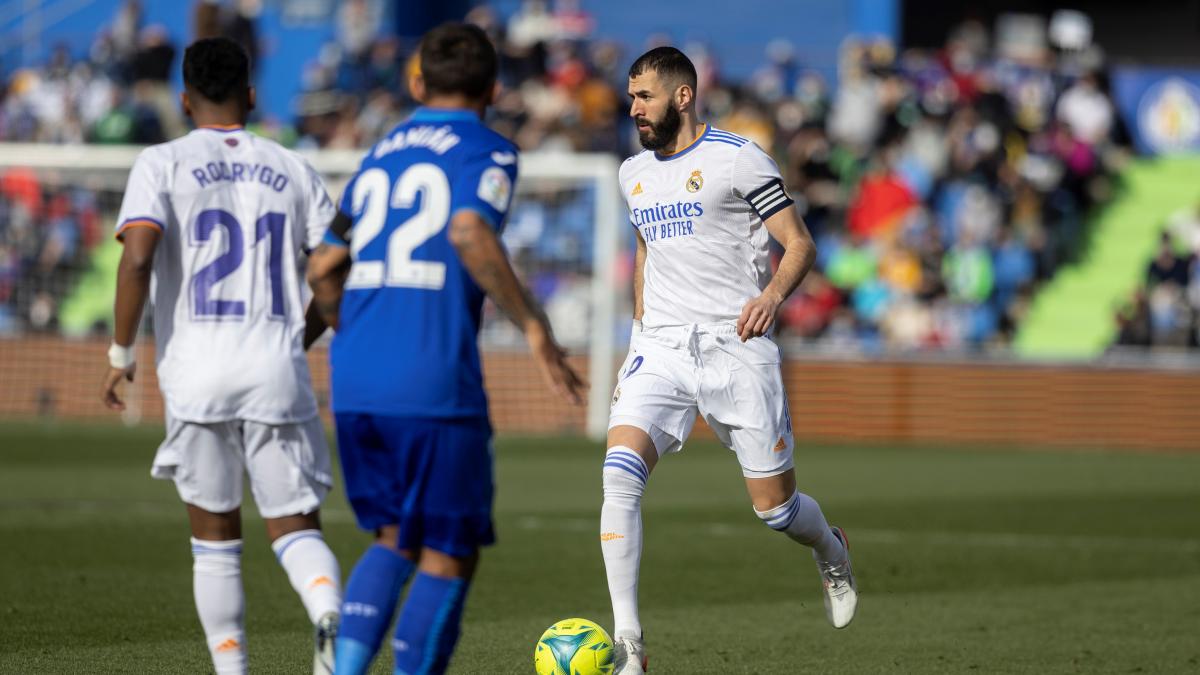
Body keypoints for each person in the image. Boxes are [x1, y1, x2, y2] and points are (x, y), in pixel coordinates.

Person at [305, 22, 584, 675]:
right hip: (430, 377)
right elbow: (468, 230)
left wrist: (350, 332)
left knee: (392, 537)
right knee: (448, 549)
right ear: (493, 88)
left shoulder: (380, 154)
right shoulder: (488, 150)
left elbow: (322, 267)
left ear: (417, 82)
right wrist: (535, 326)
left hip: (355, 379)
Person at [601, 47, 858, 674]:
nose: (633, 108)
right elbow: (646, 251)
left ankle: (830, 548)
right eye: (631, 97)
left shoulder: (739, 158)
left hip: (735, 345)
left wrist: (771, 298)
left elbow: (799, 243)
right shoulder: (632, 172)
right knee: (619, 476)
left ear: (682, 96)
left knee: (776, 511)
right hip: (660, 347)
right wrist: (637, 336)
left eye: (644, 96)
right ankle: (629, 644)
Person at [101, 37, 342, 675]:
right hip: (274, 367)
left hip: (197, 373)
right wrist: (300, 339)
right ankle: (326, 609)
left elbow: (138, 257)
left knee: (214, 544)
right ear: (252, 95)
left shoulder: (161, 162)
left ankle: (231, 669)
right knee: (296, 528)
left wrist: (121, 351)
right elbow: (332, 272)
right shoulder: (293, 167)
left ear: (184, 99)